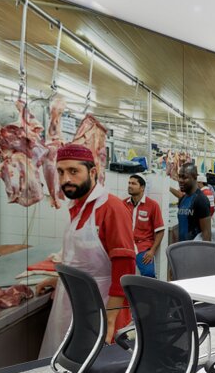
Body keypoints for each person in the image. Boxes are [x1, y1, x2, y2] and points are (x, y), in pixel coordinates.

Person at [36, 144, 135, 358]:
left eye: (74, 171)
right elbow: (79, 260)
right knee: (67, 368)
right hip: (71, 303)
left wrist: (109, 320)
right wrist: (59, 280)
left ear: (92, 172)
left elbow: (125, 270)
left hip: (102, 307)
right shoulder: (78, 207)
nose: (65, 179)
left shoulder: (112, 208)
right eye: (60, 172)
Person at [124, 174, 165, 278]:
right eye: (129, 183)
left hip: (143, 248)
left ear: (142, 187)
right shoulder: (123, 204)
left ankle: (147, 294)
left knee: (149, 274)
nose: (130, 185)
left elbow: (160, 231)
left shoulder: (152, 205)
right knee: (121, 274)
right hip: (126, 246)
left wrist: (152, 251)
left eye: (133, 183)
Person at [176, 162, 212, 242]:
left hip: (195, 250)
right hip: (183, 248)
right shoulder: (182, 199)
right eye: (179, 177)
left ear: (195, 177)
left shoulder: (201, 200)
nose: (180, 180)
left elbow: (206, 234)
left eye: (184, 177)